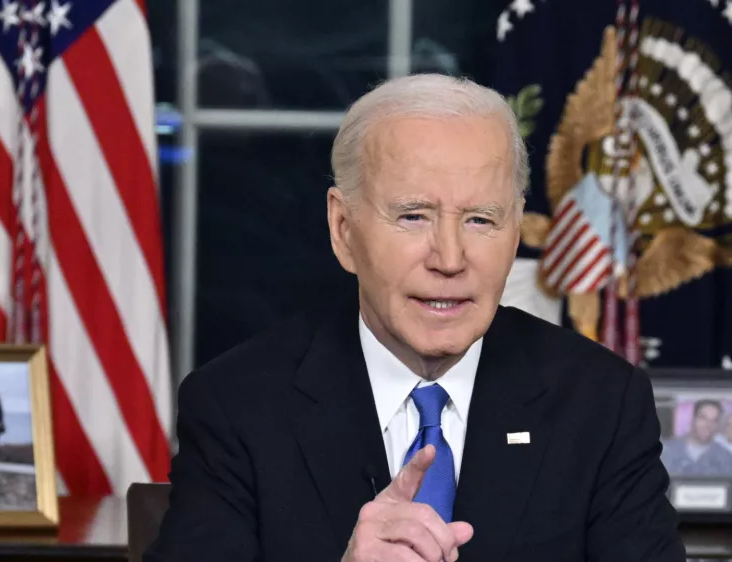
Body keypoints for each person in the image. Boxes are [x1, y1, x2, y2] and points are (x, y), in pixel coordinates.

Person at [144, 74, 684, 562]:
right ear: (343, 230)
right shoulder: (238, 406)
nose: (449, 259)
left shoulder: (602, 404)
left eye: (480, 219)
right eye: (413, 216)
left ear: (516, 231)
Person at [661, 400, 732, 477]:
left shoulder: (726, 459)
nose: (708, 425)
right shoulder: (665, 451)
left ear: (718, 425)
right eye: (703, 418)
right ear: (692, 420)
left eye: (714, 420)